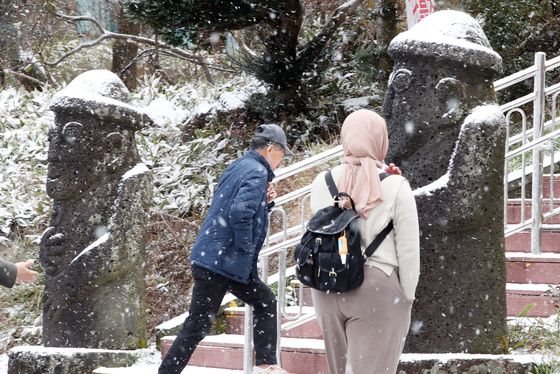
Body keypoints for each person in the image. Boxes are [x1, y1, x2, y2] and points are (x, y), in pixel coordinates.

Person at [159, 124, 294, 374]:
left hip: (214, 257)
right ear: (270, 148)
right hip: (224, 261)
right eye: (282, 154)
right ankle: (266, 365)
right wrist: (244, 248)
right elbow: (239, 213)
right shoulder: (257, 173)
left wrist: (266, 203)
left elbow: (236, 205)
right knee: (258, 305)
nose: (282, 159)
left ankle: (266, 363)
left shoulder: (240, 166)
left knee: (200, 323)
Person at [309, 109, 420, 374]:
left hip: (327, 284)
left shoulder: (321, 181)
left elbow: (321, 231)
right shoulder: (395, 185)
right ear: (381, 140)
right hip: (375, 287)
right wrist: (407, 295)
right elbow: (408, 248)